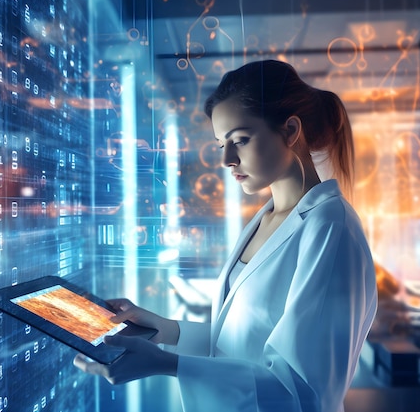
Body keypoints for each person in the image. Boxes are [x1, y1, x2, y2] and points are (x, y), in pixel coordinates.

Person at [73, 59, 378, 412]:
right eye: (222, 145)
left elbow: (305, 392)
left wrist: (166, 364)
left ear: (291, 130)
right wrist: (161, 329)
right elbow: (238, 343)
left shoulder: (330, 228)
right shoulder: (265, 220)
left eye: (241, 140)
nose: (228, 160)